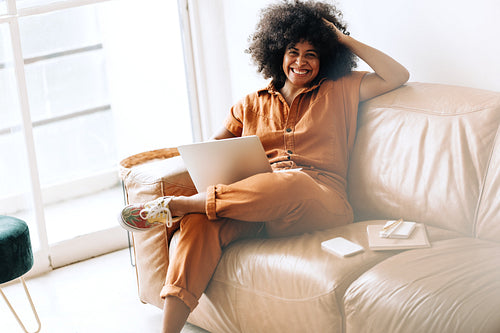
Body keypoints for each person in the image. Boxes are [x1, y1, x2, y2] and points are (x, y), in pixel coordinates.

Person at [118, 1, 409, 332]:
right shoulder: (249, 104)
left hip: (320, 200)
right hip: (258, 208)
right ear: (277, 52)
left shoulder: (340, 89)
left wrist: (342, 38)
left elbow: (398, 75)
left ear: (326, 56)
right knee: (198, 225)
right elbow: (210, 151)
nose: (300, 62)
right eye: (293, 51)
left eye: (312, 53)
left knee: (292, 181)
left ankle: (178, 206)